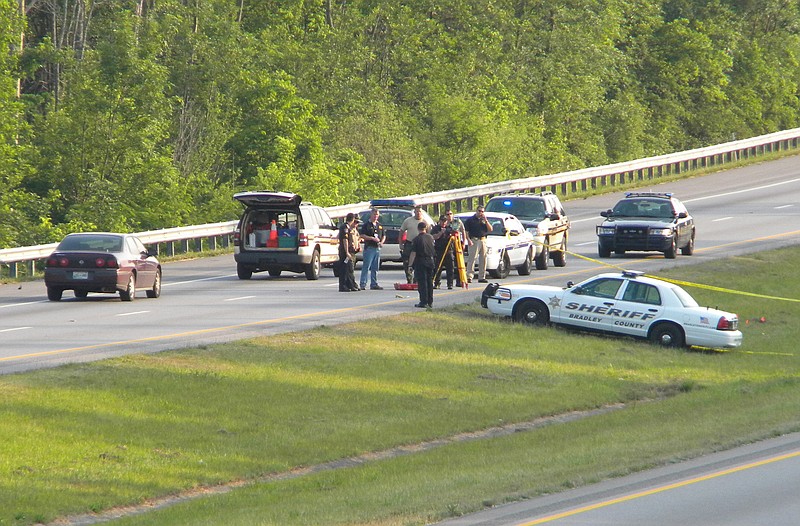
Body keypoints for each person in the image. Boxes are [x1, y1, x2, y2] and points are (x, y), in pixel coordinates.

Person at [407, 221, 436, 308]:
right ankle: (430, 301)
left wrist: (410, 265)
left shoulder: (416, 239)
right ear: (426, 228)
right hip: (430, 261)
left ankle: (423, 302)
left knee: (422, 282)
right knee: (429, 282)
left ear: (418, 229)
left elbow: (413, 253)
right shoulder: (430, 237)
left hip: (421, 261)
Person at [464, 206, 493, 283]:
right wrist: (469, 240)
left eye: (482, 211)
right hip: (474, 240)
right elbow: (466, 232)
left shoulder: (484, 220)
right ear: (476, 211)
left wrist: (486, 221)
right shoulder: (470, 220)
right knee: (472, 259)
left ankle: (481, 277)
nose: (481, 213)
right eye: (479, 211)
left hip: (483, 240)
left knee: (483, 259)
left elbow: (490, 229)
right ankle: (469, 276)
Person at [359, 208, 386, 290]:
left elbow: (384, 235)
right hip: (369, 248)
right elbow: (362, 235)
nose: (376, 216)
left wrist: (382, 242)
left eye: (377, 215)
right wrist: (371, 238)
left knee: (375, 267)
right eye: (374, 214)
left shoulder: (379, 225)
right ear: (371, 215)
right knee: (366, 266)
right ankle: (363, 283)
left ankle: (374, 283)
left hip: (377, 248)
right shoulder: (366, 225)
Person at [399, 205, 426, 284]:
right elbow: (401, 231)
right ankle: (409, 280)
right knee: (406, 262)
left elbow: (429, 234)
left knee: (418, 263)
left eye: (420, 211)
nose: (418, 213)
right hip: (409, 243)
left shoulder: (424, 222)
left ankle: (416, 280)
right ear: (414, 212)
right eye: (417, 211)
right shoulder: (408, 221)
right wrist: (400, 243)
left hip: (420, 245)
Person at [431, 214, 454, 290]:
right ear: (439, 221)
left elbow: (454, 236)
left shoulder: (449, 228)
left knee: (450, 267)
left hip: (448, 250)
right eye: (442, 221)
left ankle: (450, 284)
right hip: (439, 250)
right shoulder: (436, 228)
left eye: (445, 221)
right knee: (438, 267)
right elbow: (433, 237)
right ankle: (437, 283)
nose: (443, 223)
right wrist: (441, 232)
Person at [337, 213, 359, 292]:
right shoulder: (345, 227)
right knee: (344, 268)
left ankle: (348, 285)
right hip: (344, 251)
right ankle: (343, 286)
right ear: (352, 219)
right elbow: (345, 240)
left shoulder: (347, 227)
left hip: (347, 251)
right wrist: (347, 252)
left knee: (347, 269)